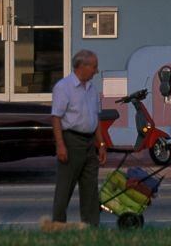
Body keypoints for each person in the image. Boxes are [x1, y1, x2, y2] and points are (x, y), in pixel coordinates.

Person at [51, 49, 107, 227]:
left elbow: (95, 118)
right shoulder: (63, 87)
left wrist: (102, 143)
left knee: (90, 187)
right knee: (65, 187)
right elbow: (56, 118)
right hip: (71, 141)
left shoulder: (92, 88)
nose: (96, 71)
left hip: (90, 142)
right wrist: (60, 145)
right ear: (82, 66)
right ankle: (58, 225)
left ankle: (91, 226)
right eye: (94, 67)